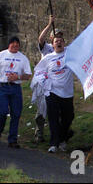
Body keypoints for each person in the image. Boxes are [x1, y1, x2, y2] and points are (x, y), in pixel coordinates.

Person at [0, 36, 32, 147]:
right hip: (3, 87)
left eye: (17, 44)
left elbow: (28, 75)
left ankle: (12, 140)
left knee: (16, 114)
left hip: (15, 88)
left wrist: (18, 77)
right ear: (9, 44)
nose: (15, 46)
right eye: (13, 44)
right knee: (1, 113)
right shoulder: (0, 55)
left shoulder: (23, 58)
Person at [37, 35, 75, 153]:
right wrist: (45, 83)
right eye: (56, 41)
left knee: (68, 117)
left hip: (67, 93)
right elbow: (38, 71)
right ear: (52, 45)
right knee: (53, 118)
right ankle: (54, 144)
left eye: (61, 41)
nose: (58, 43)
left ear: (64, 43)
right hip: (52, 92)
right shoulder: (48, 58)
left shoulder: (70, 54)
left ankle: (62, 139)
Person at [34, 15, 64, 143]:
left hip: (57, 83)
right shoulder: (46, 48)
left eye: (60, 36)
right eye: (56, 36)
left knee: (57, 111)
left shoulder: (63, 49)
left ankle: (58, 135)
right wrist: (49, 24)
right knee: (42, 108)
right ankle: (39, 133)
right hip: (44, 83)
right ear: (51, 38)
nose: (58, 38)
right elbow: (40, 39)